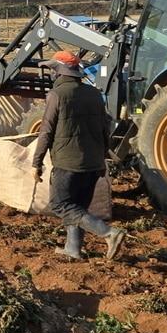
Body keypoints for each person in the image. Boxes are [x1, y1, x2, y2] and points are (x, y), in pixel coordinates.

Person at [31, 55, 126, 260]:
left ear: (59, 72)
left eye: (53, 70)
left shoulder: (57, 94)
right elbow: (105, 129)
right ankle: (73, 249)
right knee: (78, 207)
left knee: (60, 204)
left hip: (68, 163)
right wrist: (103, 158)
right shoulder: (94, 94)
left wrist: (36, 163)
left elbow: (46, 131)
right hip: (93, 162)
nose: (52, 73)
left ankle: (108, 233)